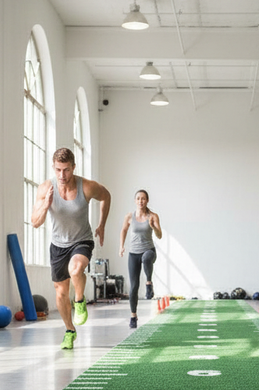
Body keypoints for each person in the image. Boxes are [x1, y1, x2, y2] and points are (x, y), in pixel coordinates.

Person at [31, 147, 111, 350]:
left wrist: (102, 224)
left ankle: (80, 300)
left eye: (66, 170)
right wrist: (46, 204)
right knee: (60, 294)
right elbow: (35, 222)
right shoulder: (45, 189)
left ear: (73, 167)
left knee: (75, 269)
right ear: (53, 168)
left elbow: (106, 196)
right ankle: (69, 330)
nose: (62, 175)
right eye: (58, 170)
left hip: (81, 240)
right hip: (58, 245)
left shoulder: (87, 187)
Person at [119, 189, 162, 328]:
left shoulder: (153, 216)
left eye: (143, 198)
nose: (140, 201)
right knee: (133, 287)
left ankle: (149, 283)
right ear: (135, 201)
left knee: (146, 258)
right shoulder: (129, 216)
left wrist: (153, 227)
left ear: (147, 200)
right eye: (138, 198)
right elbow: (124, 230)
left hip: (149, 251)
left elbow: (159, 235)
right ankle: (133, 316)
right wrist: (121, 246)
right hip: (133, 254)